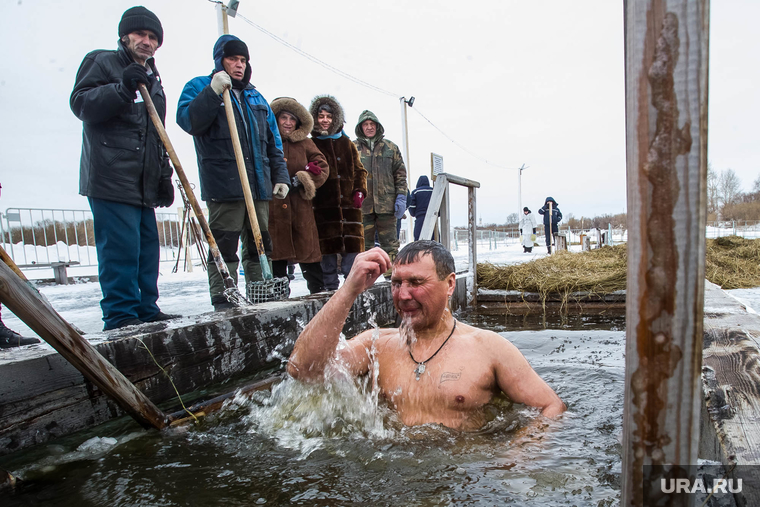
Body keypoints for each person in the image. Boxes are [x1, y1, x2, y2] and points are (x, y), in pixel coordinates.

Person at [287, 241, 566, 430]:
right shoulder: (376, 344)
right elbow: (302, 369)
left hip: (466, 476)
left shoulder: (488, 348)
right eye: (397, 283)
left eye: (417, 282)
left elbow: (551, 406)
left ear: (450, 284)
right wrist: (348, 290)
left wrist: (518, 456)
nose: (403, 294)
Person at [70, 6, 179, 330]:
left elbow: (156, 134)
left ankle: (146, 308)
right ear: (125, 36)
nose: (146, 42)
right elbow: (82, 104)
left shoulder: (153, 80)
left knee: (147, 250)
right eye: (140, 35)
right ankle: (120, 317)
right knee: (121, 250)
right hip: (111, 176)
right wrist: (122, 88)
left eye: (152, 37)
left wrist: (163, 176)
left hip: (142, 182)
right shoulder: (102, 61)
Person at [177, 35, 290, 311]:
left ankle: (260, 293)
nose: (239, 65)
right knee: (225, 246)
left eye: (242, 60)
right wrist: (212, 93)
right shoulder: (200, 87)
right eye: (232, 59)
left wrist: (281, 176)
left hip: (258, 186)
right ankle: (224, 297)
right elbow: (188, 121)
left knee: (259, 244)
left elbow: (273, 141)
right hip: (224, 184)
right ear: (220, 61)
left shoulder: (256, 97)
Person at [268, 97, 329, 294]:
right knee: (277, 258)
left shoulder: (305, 143)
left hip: (300, 209)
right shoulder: (266, 140)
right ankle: (279, 301)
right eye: (283, 117)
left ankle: (319, 299)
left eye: (292, 119)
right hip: (274, 209)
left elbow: (322, 166)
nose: (287, 122)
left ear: (298, 122)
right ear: (275, 119)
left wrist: (302, 180)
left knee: (309, 257)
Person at [309, 95, 367, 291]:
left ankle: (352, 296)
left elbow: (360, 171)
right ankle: (330, 297)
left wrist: (359, 191)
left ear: (336, 118)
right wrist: (309, 171)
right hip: (324, 210)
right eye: (321, 116)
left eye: (329, 116)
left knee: (352, 258)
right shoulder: (311, 143)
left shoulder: (347, 143)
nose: (325, 120)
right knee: (328, 259)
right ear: (315, 118)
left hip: (350, 209)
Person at [353, 110, 407, 274]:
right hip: (363, 205)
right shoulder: (353, 148)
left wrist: (401, 197)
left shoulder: (390, 148)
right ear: (361, 127)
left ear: (377, 126)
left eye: (372, 124)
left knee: (390, 244)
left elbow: (400, 174)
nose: (369, 127)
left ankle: (392, 277)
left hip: (387, 204)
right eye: (365, 124)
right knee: (364, 245)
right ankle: (367, 277)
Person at [408, 176, 433, 241]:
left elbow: (412, 205)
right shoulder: (433, 190)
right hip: (432, 218)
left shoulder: (415, 192)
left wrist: (413, 213)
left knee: (418, 240)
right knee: (434, 240)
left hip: (420, 218)